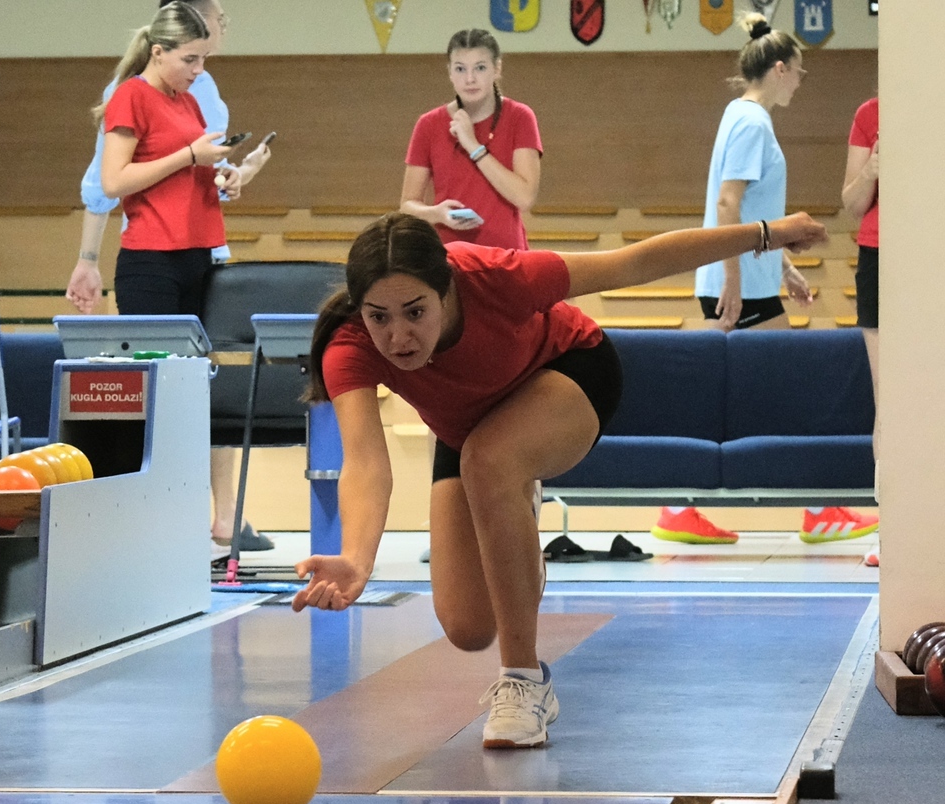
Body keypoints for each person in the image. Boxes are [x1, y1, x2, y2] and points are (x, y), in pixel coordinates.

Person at [293, 210, 828, 749]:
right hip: (470, 427)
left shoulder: (496, 279)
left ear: (448, 290)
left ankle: (525, 685)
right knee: (468, 627)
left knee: (489, 461)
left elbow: (635, 262)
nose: (398, 336)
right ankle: (513, 513)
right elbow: (365, 461)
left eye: (415, 312)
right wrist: (357, 558)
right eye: (379, 317)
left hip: (570, 372)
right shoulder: (350, 345)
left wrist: (768, 234)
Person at [652, 13, 877, 547]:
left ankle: (680, 504)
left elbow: (753, 210)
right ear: (780, 68)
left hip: (748, 276)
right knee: (789, 388)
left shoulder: (740, 114)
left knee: (724, 387)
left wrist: (783, 265)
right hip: (740, 285)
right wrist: (734, 278)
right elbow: (728, 204)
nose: (801, 81)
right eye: (800, 71)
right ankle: (818, 510)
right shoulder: (753, 122)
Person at [76, 0, 274, 562]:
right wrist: (189, 153)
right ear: (159, 51)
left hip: (197, 254)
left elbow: (193, 175)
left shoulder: (187, 99)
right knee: (154, 391)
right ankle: (137, 515)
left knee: (196, 391)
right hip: (151, 260)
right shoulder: (131, 96)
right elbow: (114, 180)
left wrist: (228, 175)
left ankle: (189, 516)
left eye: (204, 58)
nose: (198, 69)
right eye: (190, 59)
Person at [400, 28, 541, 251]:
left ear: (497, 69)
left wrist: (474, 146)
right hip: (450, 257)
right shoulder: (428, 124)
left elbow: (524, 198)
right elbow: (407, 205)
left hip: (508, 257)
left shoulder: (520, 117)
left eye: (480, 68)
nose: (470, 79)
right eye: (460, 69)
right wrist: (436, 213)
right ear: (449, 73)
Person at [842, 96, 880, 567]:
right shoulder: (869, 114)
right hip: (879, 255)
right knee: (886, 399)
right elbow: (851, 204)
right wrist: (871, 169)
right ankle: (890, 526)